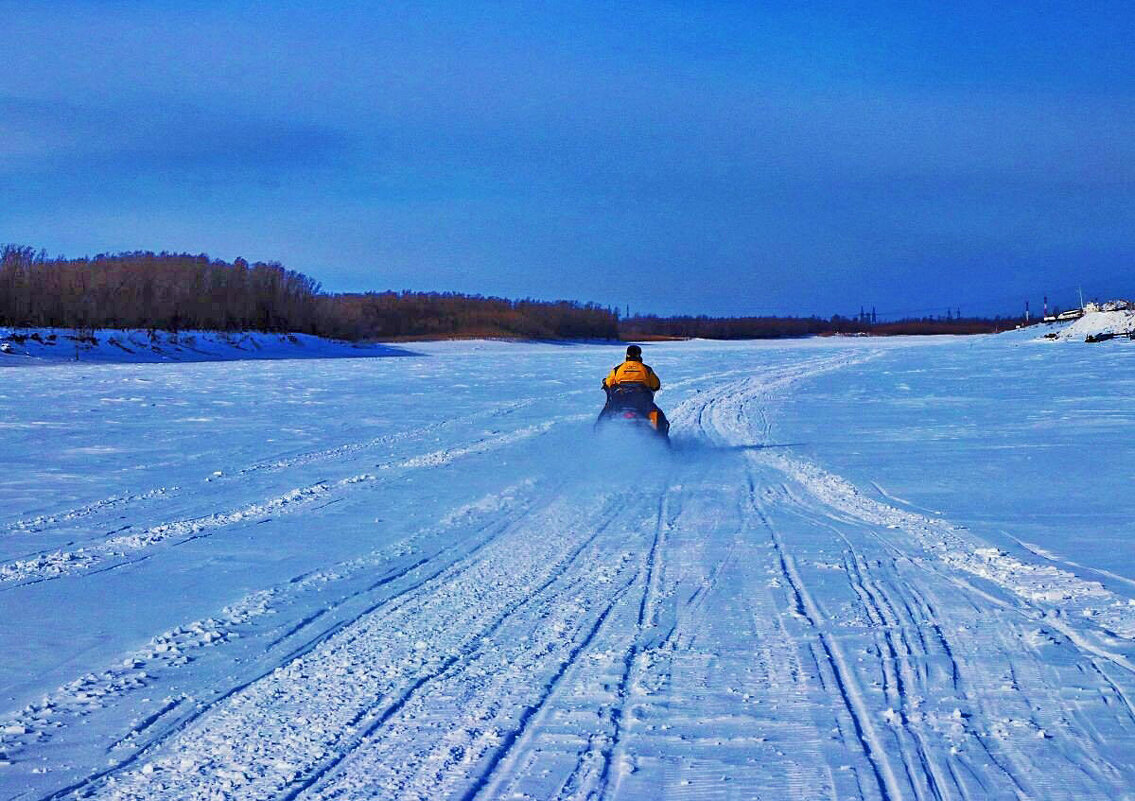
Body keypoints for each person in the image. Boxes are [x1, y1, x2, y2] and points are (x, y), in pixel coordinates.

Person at [599, 344, 670, 435]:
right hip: (641, 401)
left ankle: (598, 436)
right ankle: (662, 440)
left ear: (627, 355)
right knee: (657, 415)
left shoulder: (617, 369)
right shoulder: (647, 369)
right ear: (639, 355)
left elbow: (608, 383)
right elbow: (656, 385)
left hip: (620, 400)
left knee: (606, 413)